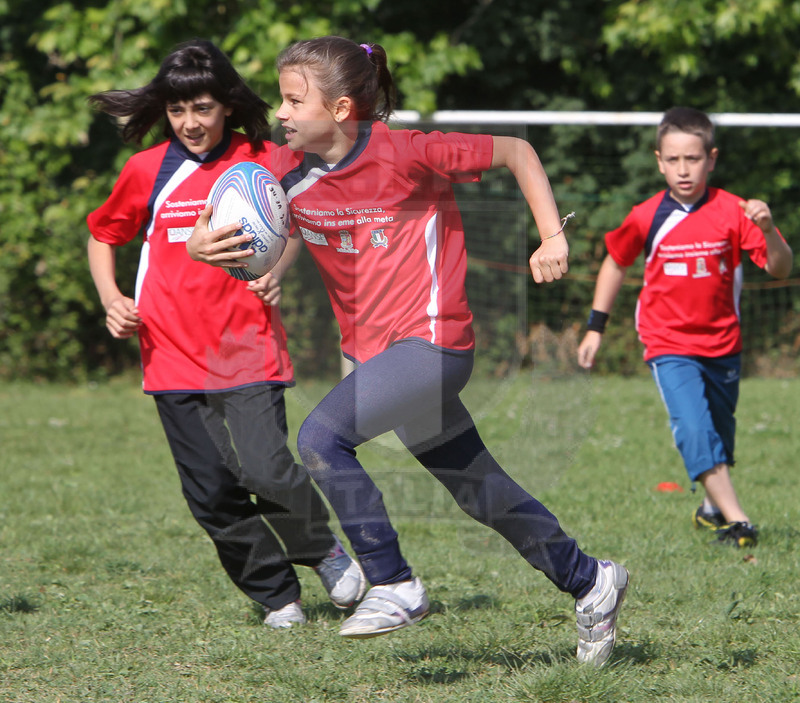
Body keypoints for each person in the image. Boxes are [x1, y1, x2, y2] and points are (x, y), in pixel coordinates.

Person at [187, 35, 628, 667]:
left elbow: (518, 152)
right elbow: (268, 228)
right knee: (479, 488)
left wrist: (551, 236)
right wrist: (218, 252)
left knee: (320, 439)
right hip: (380, 359)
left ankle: (393, 582)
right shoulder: (284, 174)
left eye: (292, 99)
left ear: (340, 109)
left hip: (434, 341)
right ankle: (590, 581)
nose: (279, 113)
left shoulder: (407, 152)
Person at [86, 38, 366, 629]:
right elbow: (103, 234)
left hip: (247, 349)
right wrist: (113, 298)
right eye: (178, 110)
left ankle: (322, 550)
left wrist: (278, 272)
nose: (190, 123)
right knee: (211, 492)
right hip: (169, 355)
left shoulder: (266, 157)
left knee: (266, 469)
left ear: (229, 106)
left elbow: (302, 219)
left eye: (204, 108)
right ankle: (275, 593)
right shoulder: (147, 171)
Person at [578, 106, 792, 548]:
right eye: (673, 160)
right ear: (659, 160)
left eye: (692, 159)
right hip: (666, 343)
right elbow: (616, 263)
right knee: (694, 429)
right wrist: (595, 326)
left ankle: (712, 510)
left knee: (719, 433)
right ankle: (739, 521)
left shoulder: (736, 212)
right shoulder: (646, 214)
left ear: (711, 158)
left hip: (723, 345)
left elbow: (779, 269)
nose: (683, 170)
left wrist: (770, 231)